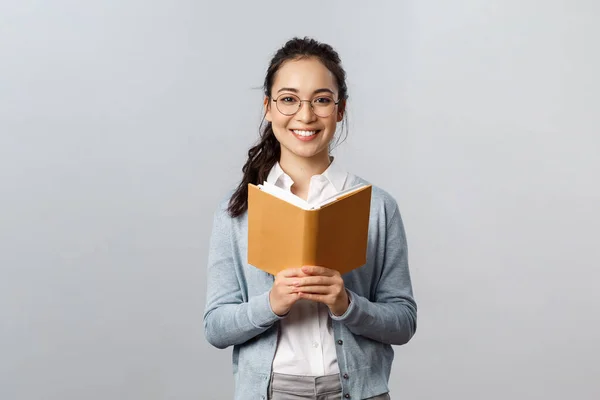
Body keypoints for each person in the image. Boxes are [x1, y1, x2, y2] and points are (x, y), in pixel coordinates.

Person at [203, 37, 417, 400]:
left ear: (340, 109)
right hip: (271, 392)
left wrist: (347, 305)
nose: (305, 116)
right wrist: (270, 303)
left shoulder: (377, 206)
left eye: (321, 100)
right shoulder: (237, 210)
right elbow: (216, 327)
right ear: (268, 107)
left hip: (357, 392)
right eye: (288, 99)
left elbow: (403, 322)